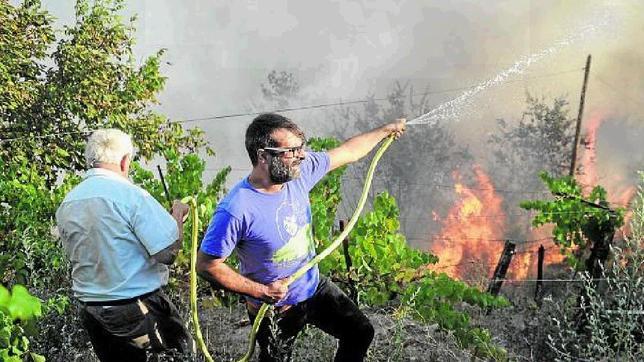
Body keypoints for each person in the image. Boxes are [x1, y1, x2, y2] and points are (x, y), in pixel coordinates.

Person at [197, 113, 406, 361]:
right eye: (292, 151)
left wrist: (385, 130)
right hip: (273, 308)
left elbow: (349, 150)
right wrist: (262, 291)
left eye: (301, 148)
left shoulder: (299, 173)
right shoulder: (236, 209)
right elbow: (207, 265)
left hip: (312, 286)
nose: (302, 156)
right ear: (263, 156)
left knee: (360, 332)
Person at [56, 129, 193, 362]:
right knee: (178, 355)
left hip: (93, 311)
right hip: (136, 307)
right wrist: (177, 216)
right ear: (124, 160)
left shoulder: (69, 202)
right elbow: (167, 254)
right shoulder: (131, 196)